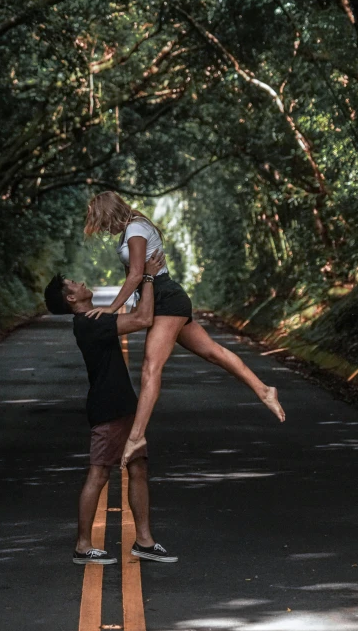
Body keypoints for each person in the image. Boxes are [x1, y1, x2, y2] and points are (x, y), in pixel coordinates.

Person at [84, 191, 285, 467]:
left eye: (103, 222)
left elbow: (136, 273)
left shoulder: (135, 229)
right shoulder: (131, 230)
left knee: (150, 368)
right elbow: (142, 276)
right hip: (160, 296)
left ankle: (136, 437)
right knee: (212, 352)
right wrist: (136, 297)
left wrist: (112, 307)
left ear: (111, 213)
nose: (104, 229)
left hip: (166, 298)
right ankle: (264, 390)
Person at [44, 249, 178, 565]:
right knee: (99, 473)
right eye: (72, 284)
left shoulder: (94, 319)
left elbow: (135, 313)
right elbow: (144, 318)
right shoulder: (89, 323)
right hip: (109, 408)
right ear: (71, 300)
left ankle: (144, 541)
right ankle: (82, 545)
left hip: (122, 405)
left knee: (138, 468)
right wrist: (147, 276)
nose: (79, 282)